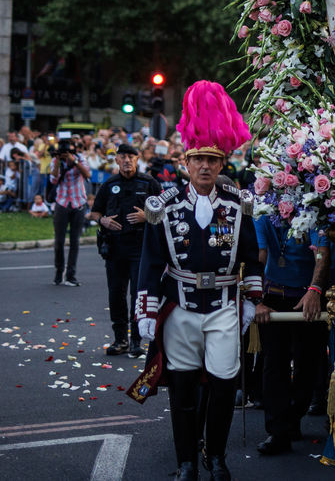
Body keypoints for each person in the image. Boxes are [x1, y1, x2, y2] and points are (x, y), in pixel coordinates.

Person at [130, 81, 261, 481]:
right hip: (181, 308)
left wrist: (252, 299)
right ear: (185, 162)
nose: (205, 166)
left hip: (223, 307)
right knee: (183, 391)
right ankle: (186, 461)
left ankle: (217, 458)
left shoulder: (239, 207)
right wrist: (146, 309)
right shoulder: (163, 208)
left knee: (223, 388)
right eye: (197, 159)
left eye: (212, 160)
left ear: (222, 164)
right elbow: (150, 263)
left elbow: (250, 259)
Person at [252, 214, 331, 456]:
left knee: (309, 362)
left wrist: (315, 291)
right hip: (274, 295)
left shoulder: (316, 208)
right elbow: (259, 254)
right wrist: (255, 299)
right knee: (274, 363)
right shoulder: (264, 211)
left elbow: (322, 252)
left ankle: (293, 415)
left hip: (309, 296)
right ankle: (278, 430)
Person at [90, 144, 160, 357]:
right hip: (114, 248)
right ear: (117, 160)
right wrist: (103, 221)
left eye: (131, 156)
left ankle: (136, 341)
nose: (127, 160)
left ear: (138, 159)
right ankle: (119, 339)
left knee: (137, 295)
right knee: (116, 294)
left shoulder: (149, 183)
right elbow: (94, 212)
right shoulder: (109, 184)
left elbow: (164, 211)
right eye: (123, 157)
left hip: (140, 248)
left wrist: (146, 216)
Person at [49, 139, 91, 287]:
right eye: (63, 151)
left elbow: (87, 174)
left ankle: (71, 275)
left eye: (68, 150)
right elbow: (53, 179)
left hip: (78, 202)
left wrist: (74, 162)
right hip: (61, 203)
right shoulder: (55, 160)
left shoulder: (80, 158)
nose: (66, 153)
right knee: (59, 241)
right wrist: (58, 162)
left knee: (75, 241)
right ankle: (58, 271)